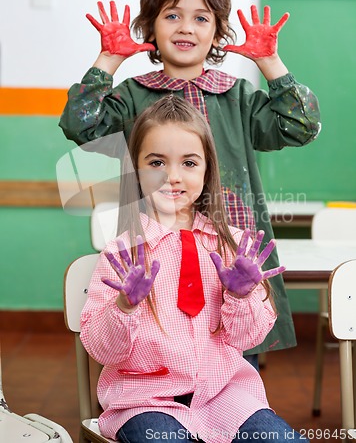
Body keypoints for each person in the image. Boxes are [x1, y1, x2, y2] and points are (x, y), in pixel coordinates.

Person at [59, 0, 321, 366]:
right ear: (150, 28)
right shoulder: (132, 96)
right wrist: (108, 60)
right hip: (155, 258)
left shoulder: (238, 97)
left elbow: (302, 126)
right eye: (172, 15)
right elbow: (80, 124)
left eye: (201, 18)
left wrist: (269, 62)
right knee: (154, 353)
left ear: (217, 32)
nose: (186, 27)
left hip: (228, 259)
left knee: (234, 366)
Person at [80, 95, 308, 442]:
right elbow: (102, 351)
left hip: (226, 397)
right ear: (135, 170)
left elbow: (249, 339)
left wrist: (242, 296)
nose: (172, 176)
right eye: (156, 162)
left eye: (189, 163)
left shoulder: (232, 246)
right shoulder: (122, 255)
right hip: (142, 403)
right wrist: (123, 306)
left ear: (207, 170)